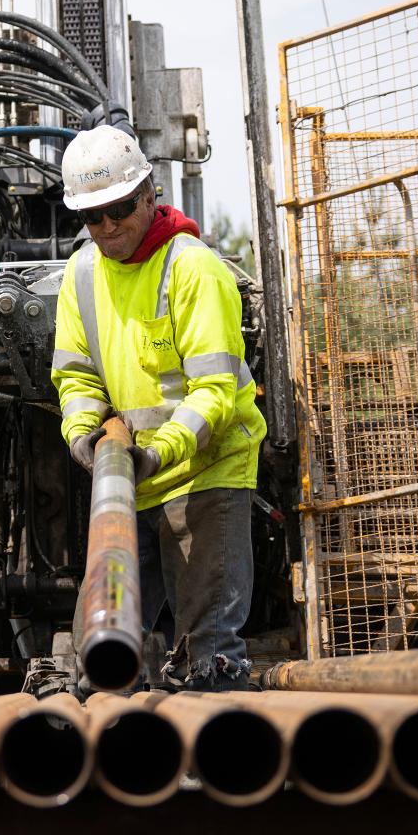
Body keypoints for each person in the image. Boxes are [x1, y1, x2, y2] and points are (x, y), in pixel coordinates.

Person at [50, 123, 267, 691]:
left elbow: (214, 392)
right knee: (94, 654)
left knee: (208, 654)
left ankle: (214, 763)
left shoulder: (192, 267)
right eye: (92, 216)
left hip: (206, 473)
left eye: (119, 208)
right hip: (129, 485)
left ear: (149, 194)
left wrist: (156, 453)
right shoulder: (81, 274)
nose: (107, 226)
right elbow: (76, 376)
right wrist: (82, 433)